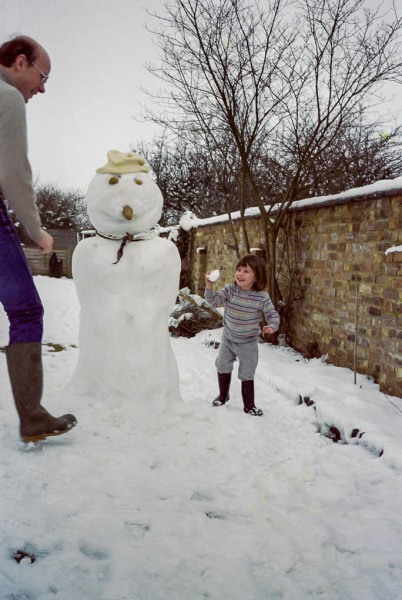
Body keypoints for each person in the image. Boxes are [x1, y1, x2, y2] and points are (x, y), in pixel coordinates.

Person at [0, 35, 77, 442]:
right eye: (41, 76)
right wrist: (36, 231)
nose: (42, 88)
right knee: (26, 311)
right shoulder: (7, 98)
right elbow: (13, 174)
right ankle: (31, 418)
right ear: (19, 62)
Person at [205, 254, 280, 416]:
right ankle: (223, 396)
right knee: (222, 365)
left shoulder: (261, 297)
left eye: (246, 271)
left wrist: (271, 326)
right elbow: (213, 302)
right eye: (238, 270)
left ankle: (249, 405)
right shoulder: (230, 290)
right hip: (228, 338)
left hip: (248, 342)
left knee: (247, 371)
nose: (240, 273)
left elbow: (272, 314)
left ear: (257, 276)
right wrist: (210, 287)